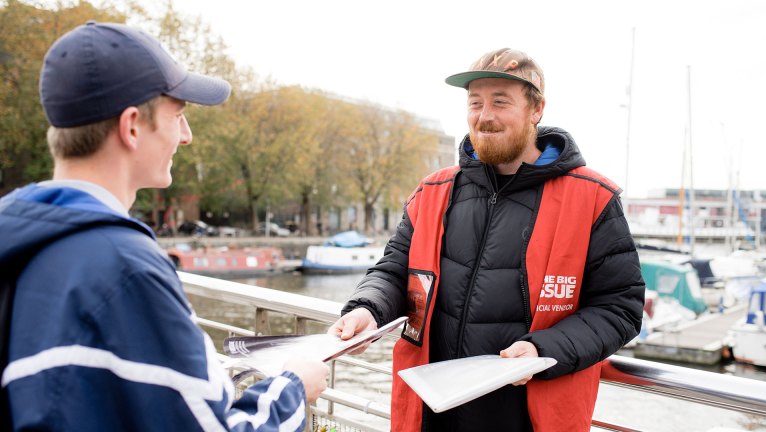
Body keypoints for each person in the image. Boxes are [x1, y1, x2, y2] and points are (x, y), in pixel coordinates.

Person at [0, 22, 328, 431]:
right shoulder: (125, 269)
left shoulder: (18, 236)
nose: (186, 137)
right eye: (179, 116)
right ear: (132, 126)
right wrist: (293, 388)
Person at [329, 48, 645, 432]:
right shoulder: (433, 191)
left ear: (536, 109)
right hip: (429, 413)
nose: (485, 116)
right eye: (475, 102)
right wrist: (368, 309)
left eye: (501, 102)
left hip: (527, 417)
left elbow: (620, 308)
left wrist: (542, 352)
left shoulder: (593, 199)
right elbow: (394, 272)